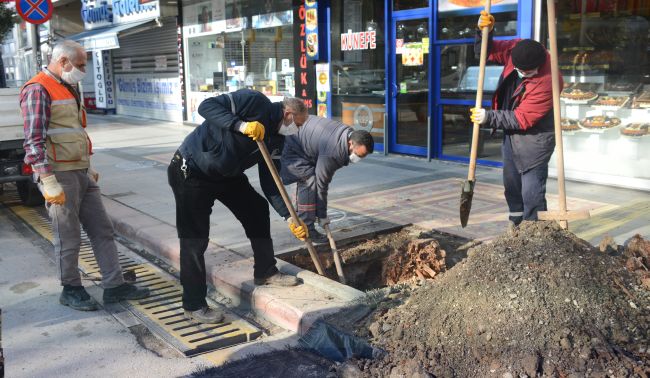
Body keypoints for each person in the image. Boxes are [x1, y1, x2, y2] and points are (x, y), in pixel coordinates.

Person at [20, 40, 150, 311]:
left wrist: (87, 165)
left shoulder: (67, 86)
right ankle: (71, 288)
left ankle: (114, 286)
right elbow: (33, 140)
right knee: (68, 236)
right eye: (79, 65)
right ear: (63, 61)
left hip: (80, 171)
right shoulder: (37, 89)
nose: (83, 70)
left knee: (102, 230)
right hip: (59, 176)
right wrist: (47, 179)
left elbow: (73, 131)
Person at [168, 89, 309, 324]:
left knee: (256, 209)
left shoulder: (277, 138)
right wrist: (241, 125)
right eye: (298, 124)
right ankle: (193, 305)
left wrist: (289, 217)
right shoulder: (254, 102)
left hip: (226, 175)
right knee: (195, 240)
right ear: (287, 114)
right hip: (191, 170)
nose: (298, 130)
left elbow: (271, 181)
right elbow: (206, 106)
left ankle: (265, 271)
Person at [470, 11, 559, 226]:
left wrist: (488, 116)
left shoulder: (549, 81)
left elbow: (523, 119)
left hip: (534, 141)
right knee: (511, 185)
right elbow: (487, 53)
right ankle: (516, 223)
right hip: (511, 137)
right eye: (519, 70)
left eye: (527, 73)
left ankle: (534, 230)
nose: (522, 74)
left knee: (531, 190)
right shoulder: (517, 49)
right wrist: (485, 33)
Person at [281, 116, 374, 243]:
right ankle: (306, 228)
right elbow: (321, 184)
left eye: (363, 156)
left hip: (306, 139)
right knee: (308, 182)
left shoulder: (348, 134)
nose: (358, 158)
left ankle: (306, 219)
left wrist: (320, 213)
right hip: (294, 145)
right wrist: (322, 215)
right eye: (358, 155)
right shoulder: (333, 151)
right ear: (351, 143)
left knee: (312, 181)